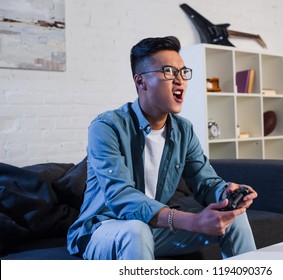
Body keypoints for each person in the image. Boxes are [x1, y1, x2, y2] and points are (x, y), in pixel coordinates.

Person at [67, 36, 257, 260]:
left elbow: (206, 182)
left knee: (235, 218)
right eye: (168, 72)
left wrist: (227, 194)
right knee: (135, 230)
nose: (180, 81)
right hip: (104, 231)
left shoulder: (183, 129)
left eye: (183, 72)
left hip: (155, 230)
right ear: (141, 82)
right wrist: (193, 220)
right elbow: (120, 196)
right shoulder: (106, 127)